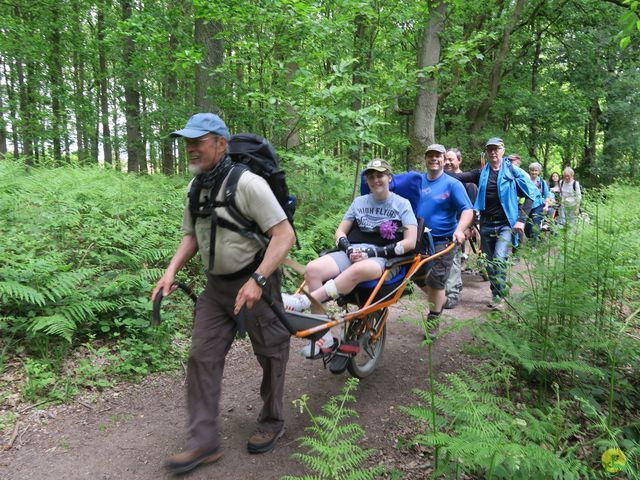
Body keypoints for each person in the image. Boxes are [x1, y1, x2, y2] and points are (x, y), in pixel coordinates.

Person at [152, 113, 296, 474]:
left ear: (220, 143)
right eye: (187, 141)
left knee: (271, 353)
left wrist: (259, 280)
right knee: (201, 356)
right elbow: (191, 236)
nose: (190, 147)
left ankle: (272, 420)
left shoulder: (248, 184)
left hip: (256, 284)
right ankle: (202, 443)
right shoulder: (195, 187)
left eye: (198, 141)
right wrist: (170, 271)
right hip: (216, 289)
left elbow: (284, 236)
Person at [284, 159, 418, 357]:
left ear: (389, 177)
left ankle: (303, 301)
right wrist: (348, 250)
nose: (375, 180)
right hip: (352, 252)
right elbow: (340, 232)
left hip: (381, 258)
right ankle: (324, 339)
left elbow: (410, 242)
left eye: (380, 175)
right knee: (312, 269)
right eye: (371, 177)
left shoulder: (402, 204)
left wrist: (371, 253)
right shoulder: (359, 202)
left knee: (358, 270)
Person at [446, 137, 541, 310]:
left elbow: (531, 196)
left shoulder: (513, 171)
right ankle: (495, 290)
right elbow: (460, 177)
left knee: (499, 258)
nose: (493, 152)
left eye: (496, 149)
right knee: (489, 263)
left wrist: (521, 220)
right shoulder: (481, 173)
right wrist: (435, 173)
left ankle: (499, 297)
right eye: (490, 149)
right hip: (486, 224)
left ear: (503, 150)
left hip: (505, 224)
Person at [415, 144, 474, 336]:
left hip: (443, 240)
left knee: (436, 280)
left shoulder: (452, 184)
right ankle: (440, 299)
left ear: (443, 159)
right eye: (430, 155)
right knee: (414, 275)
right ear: (425, 159)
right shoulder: (416, 181)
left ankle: (433, 322)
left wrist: (460, 229)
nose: (434, 159)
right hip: (417, 239)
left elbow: (467, 210)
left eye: (438, 156)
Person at [443, 148, 478, 309]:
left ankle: (452, 293)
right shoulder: (439, 180)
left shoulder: (469, 183)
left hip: (460, 225)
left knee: (454, 258)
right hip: (443, 225)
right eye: (446, 159)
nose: (448, 162)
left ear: (459, 160)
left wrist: (469, 227)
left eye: (451, 159)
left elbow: (472, 208)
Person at [525, 162, 554, 244]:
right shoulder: (525, 181)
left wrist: (547, 206)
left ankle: (534, 244)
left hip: (538, 205)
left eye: (536, 170)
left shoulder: (541, 182)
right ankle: (532, 238)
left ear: (539, 171)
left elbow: (547, 195)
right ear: (529, 171)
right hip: (527, 206)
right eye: (532, 170)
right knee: (527, 227)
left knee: (536, 223)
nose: (534, 172)